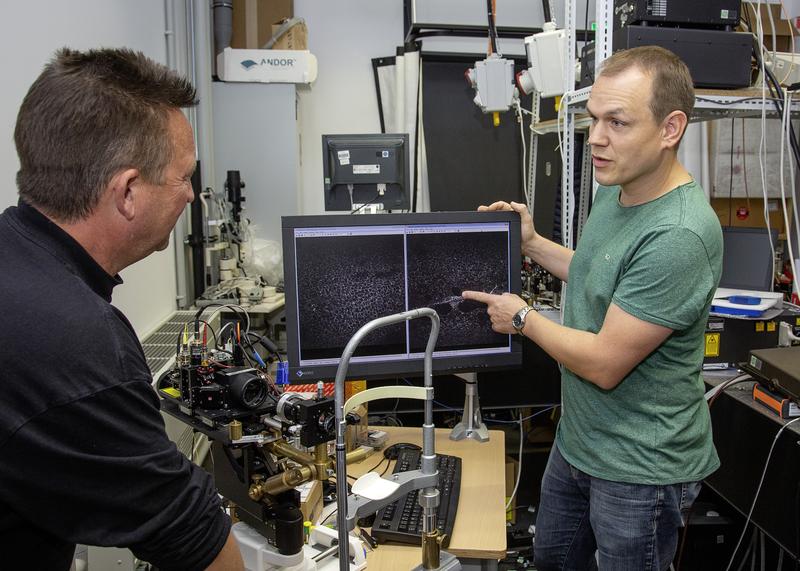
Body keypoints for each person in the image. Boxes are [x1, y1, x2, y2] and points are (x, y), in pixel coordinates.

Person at [463, 46, 722, 570]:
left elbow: (605, 363)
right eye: (594, 118)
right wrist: (535, 243)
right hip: (579, 444)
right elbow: (602, 273)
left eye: (618, 122)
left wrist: (522, 318)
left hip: (638, 470)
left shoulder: (679, 234)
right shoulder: (620, 185)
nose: (597, 139)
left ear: (671, 128)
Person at [0, 48, 244, 571]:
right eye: (183, 177)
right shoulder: (76, 338)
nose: (191, 198)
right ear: (129, 192)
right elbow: (188, 534)